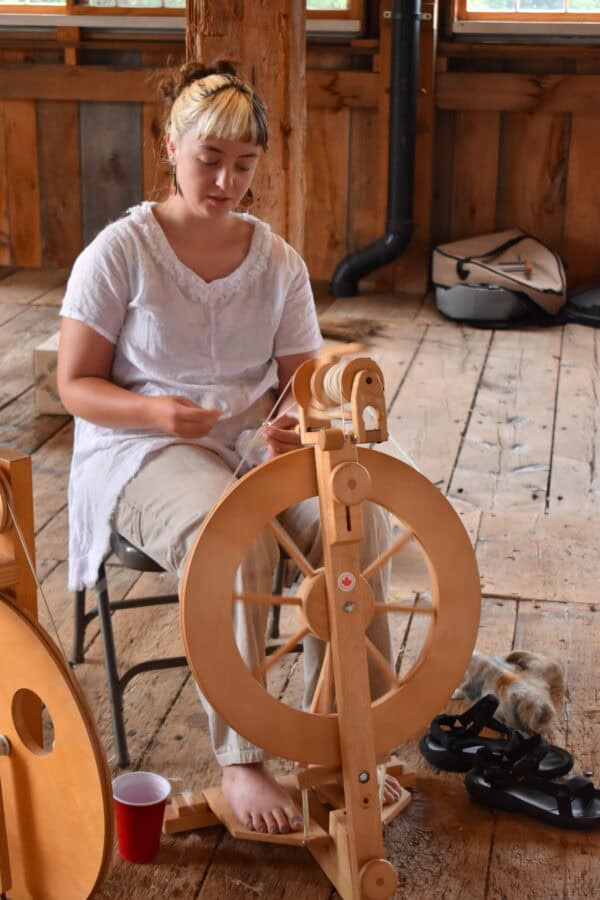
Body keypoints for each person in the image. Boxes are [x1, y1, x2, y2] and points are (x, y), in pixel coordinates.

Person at [58, 60, 399, 837]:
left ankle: (351, 737)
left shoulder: (274, 260)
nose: (224, 180)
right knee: (232, 526)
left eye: (243, 165)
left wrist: (288, 425)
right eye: (209, 159)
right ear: (171, 144)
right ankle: (242, 758)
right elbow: (75, 386)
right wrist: (155, 411)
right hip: (136, 447)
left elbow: (301, 383)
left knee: (355, 520)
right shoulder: (121, 251)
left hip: (246, 443)